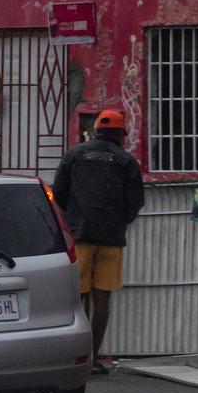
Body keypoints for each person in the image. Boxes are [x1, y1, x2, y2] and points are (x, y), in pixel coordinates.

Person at [51, 108, 145, 374]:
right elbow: (136, 201)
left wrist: (72, 219)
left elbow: (58, 193)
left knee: (80, 297)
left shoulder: (74, 154)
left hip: (79, 235)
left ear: (96, 131)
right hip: (111, 238)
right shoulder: (126, 161)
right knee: (102, 298)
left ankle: (78, 357)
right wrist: (119, 221)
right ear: (120, 134)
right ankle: (93, 357)